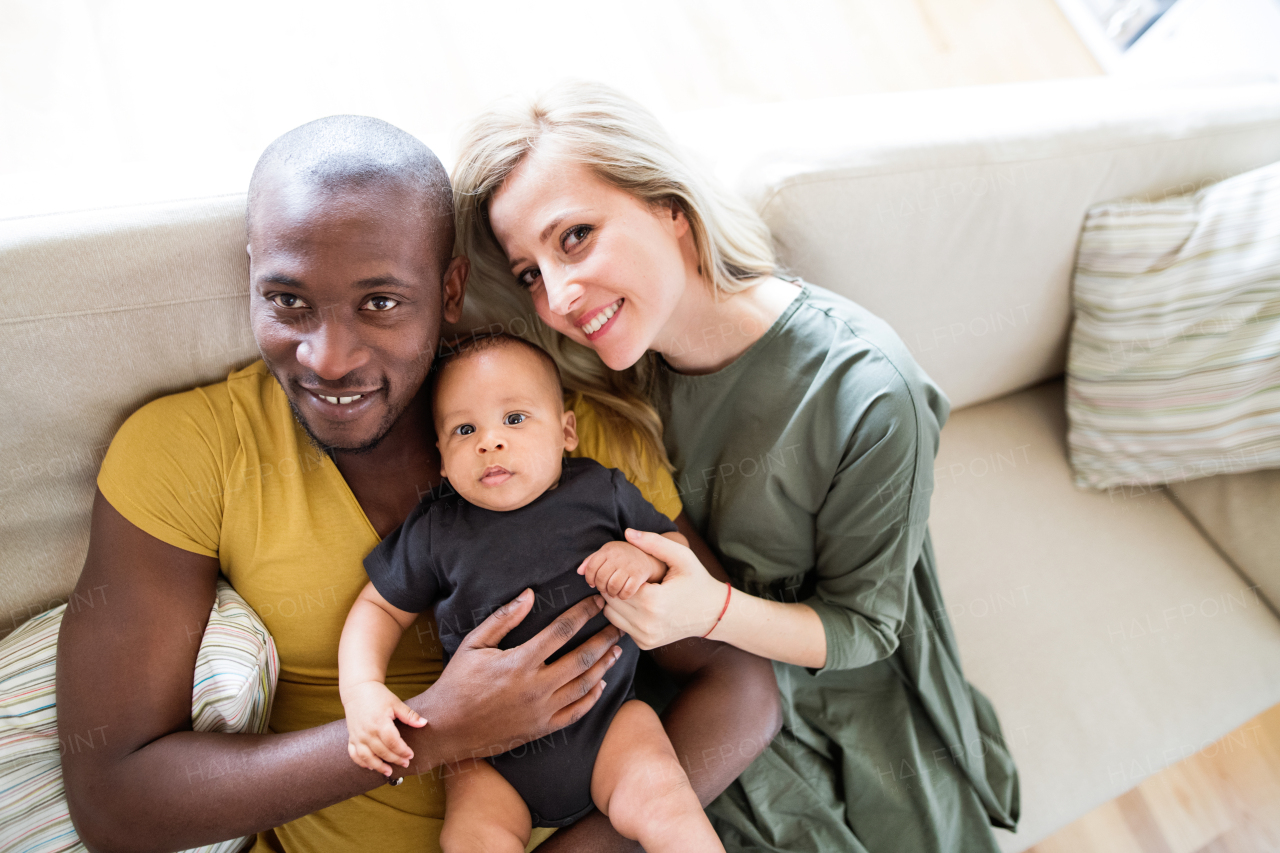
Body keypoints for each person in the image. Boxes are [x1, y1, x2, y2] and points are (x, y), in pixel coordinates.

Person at [55, 115, 781, 853]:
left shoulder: (566, 433)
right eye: (286, 300)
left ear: (452, 287)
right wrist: (435, 730)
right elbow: (115, 801)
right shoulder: (190, 451)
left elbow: (741, 682)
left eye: (380, 303)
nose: (329, 357)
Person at [452, 82, 1022, 853]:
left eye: (576, 236)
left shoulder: (868, 392)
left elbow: (866, 629)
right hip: (674, 683)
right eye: (530, 272)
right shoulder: (590, 376)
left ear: (670, 208)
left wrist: (710, 610)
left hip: (823, 676)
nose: (557, 296)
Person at [340, 333, 724, 853]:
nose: (489, 441)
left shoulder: (600, 492)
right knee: (472, 837)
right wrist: (363, 689)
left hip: (608, 723)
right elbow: (377, 608)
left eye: (515, 419)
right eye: (464, 429)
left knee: (666, 801)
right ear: (442, 459)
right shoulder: (436, 530)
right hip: (487, 754)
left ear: (567, 431)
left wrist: (645, 558)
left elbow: (677, 550)